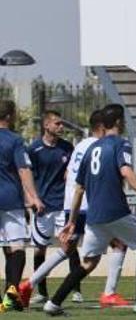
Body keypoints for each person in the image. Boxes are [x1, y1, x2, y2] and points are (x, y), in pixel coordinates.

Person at [43, 104, 136, 316]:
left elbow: (79, 188)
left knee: (89, 263)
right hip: (115, 212)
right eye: (123, 120)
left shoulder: (91, 149)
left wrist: (72, 221)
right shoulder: (120, 144)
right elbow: (126, 171)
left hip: (94, 216)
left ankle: (54, 303)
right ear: (118, 122)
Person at [19, 110, 131, 308]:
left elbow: (67, 175)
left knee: (66, 249)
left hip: (71, 204)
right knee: (119, 244)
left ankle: (29, 284)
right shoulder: (101, 146)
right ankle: (109, 293)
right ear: (103, 127)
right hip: (90, 204)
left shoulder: (79, 146)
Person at [21, 110, 75, 304]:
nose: (61, 127)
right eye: (57, 124)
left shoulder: (67, 147)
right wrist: (32, 199)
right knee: (39, 249)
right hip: (43, 207)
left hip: (63, 206)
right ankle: (41, 292)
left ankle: (76, 290)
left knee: (69, 245)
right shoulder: (33, 149)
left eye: (62, 124)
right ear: (47, 126)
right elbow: (26, 177)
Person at [0, 100, 44, 311]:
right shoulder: (14, 140)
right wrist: (34, 197)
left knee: (6, 247)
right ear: (10, 116)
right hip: (9, 199)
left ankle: (10, 296)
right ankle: (11, 293)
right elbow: (23, 170)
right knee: (17, 246)